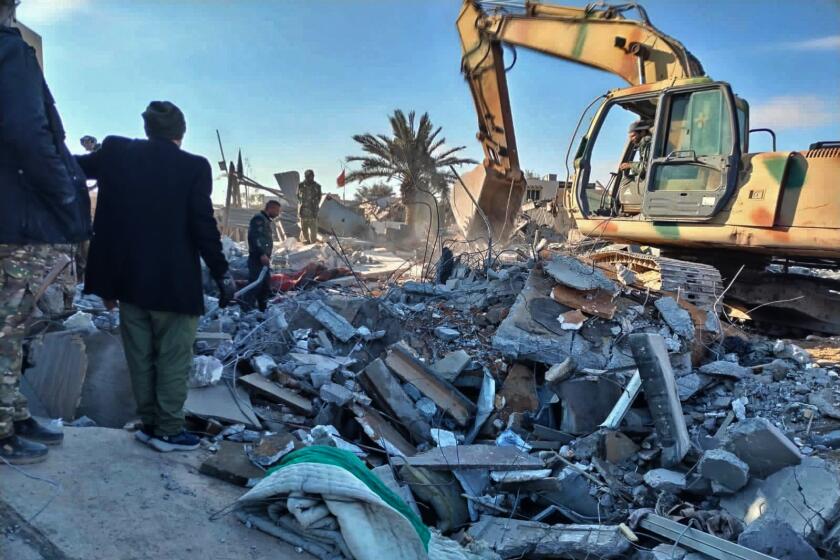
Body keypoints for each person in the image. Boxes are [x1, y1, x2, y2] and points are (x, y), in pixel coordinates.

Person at [76, 101, 234, 453]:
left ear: (148, 129)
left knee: (140, 358)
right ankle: (167, 430)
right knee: (173, 360)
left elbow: (71, 168)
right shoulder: (193, 166)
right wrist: (222, 273)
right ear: (181, 132)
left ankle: (150, 424)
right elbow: (203, 226)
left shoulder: (117, 152)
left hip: (128, 283)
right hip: (175, 286)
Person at [0, 0, 91, 465]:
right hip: (19, 224)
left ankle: (12, 413)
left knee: (14, 328)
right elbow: (27, 131)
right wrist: (64, 193)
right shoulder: (9, 51)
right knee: (10, 327)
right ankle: (2, 427)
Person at [247, 200, 281, 311]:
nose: (278, 213)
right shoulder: (259, 219)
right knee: (255, 285)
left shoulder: (265, 220)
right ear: (270, 208)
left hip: (263, 260)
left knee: (265, 286)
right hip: (257, 259)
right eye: (277, 210)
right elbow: (255, 237)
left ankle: (262, 310)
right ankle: (246, 308)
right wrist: (262, 254)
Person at [617, 120, 653, 213]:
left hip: (652, 182)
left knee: (626, 181)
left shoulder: (647, 142)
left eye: (633, 136)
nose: (631, 139)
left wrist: (630, 165)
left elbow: (648, 166)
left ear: (643, 132)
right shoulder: (645, 144)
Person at [297, 169, 322, 243]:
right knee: (304, 230)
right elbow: (297, 196)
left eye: (312, 176)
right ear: (305, 177)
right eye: (308, 177)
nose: (310, 178)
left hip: (313, 213)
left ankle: (313, 245)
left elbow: (319, 197)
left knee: (313, 232)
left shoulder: (317, 186)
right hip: (303, 212)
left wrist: (314, 204)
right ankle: (306, 244)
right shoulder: (300, 185)